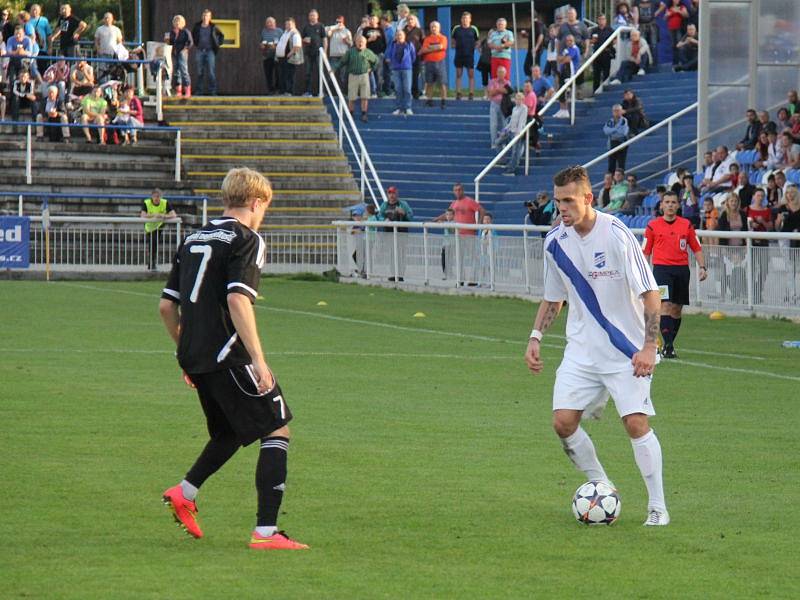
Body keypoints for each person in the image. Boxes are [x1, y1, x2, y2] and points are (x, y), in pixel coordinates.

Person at [158, 168, 308, 551]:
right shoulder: (247, 238)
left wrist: (186, 352)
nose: (263, 217)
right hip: (229, 354)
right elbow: (238, 299)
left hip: (195, 355)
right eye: (264, 209)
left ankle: (184, 492)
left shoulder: (193, 238)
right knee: (276, 429)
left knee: (228, 432)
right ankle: (266, 533)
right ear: (257, 202)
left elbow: (166, 307)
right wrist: (258, 359)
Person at [524, 165, 669, 527]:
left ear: (589, 198)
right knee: (563, 422)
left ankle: (657, 507)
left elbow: (651, 294)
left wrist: (650, 347)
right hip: (582, 350)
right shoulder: (555, 241)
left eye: (569, 201)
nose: (562, 209)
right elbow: (553, 298)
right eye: (558, 202)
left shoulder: (617, 234)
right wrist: (535, 337)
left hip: (626, 351)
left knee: (636, 423)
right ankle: (601, 485)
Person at [642, 191, 707, 358]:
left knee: (677, 309)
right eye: (667, 202)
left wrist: (702, 266)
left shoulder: (686, 225)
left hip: (682, 270)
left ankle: (668, 345)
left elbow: (696, 247)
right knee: (665, 306)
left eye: (673, 202)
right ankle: (669, 346)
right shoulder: (652, 226)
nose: (670, 205)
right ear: (662, 205)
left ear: (678, 205)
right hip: (662, 270)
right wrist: (643, 273)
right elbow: (646, 251)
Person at [378, 186, 413, 282]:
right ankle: (393, 274)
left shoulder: (403, 204)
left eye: (393, 193)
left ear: (397, 194)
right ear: (387, 194)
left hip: (401, 233)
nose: (392, 195)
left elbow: (411, 216)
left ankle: (400, 274)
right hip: (389, 233)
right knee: (391, 254)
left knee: (401, 254)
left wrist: (404, 213)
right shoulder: (384, 205)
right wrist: (384, 220)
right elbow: (379, 216)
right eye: (390, 193)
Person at [339, 35, 377, 122]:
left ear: (365, 43)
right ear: (355, 43)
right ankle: (350, 114)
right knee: (351, 96)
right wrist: (333, 69)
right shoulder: (350, 52)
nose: (360, 43)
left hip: (364, 76)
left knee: (365, 96)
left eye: (362, 42)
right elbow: (342, 62)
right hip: (353, 75)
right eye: (359, 42)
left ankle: (364, 114)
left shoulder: (368, 52)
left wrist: (371, 69)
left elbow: (376, 61)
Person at [139, 188, 176, 270]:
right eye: (155, 196)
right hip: (149, 227)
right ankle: (151, 262)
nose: (156, 199)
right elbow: (143, 215)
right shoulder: (146, 202)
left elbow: (173, 215)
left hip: (159, 226)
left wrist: (163, 216)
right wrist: (155, 215)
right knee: (152, 244)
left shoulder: (165, 202)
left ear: (161, 197)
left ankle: (152, 263)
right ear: (152, 197)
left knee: (154, 243)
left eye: (158, 197)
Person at [191, 9, 224, 96]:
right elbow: (193, 35)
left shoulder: (213, 26)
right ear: (202, 17)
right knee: (199, 72)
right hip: (200, 51)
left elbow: (221, 35)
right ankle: (199, 92)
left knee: (211, 72)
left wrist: (218, 44)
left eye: (207, 16)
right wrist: (196, 43)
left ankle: (213, 91)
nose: (205, 17)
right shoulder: (197, 26)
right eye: (204, 16)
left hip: (210, 52)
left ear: (210, 17)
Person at [386, 29, 415, 116]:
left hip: (406, 69)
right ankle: (399, 108)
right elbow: (389, 55)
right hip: (395, 69)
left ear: (404, 36)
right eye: (398, 35)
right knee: (398, 89)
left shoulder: (409, 45)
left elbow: (413, 56)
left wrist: (408, 63)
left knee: (407, 89)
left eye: (401, 35)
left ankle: (408, 107)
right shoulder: (392, 45)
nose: (399, 36)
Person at [451, 11, 479, 101]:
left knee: (471, 75)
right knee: (458, 74)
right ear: (461, 19)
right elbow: (453, 40)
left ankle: (471, 93)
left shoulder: (474, 29)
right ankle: (458, 93)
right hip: (459, 55)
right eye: (463, 18)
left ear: (470, 19)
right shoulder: (456, 28)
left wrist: (473, 49)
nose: (465, 20)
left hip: (469, 56)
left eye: (467, 18)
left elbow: (477, 41)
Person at [420, 21, 447, 109]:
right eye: (432, 27)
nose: (434, 28)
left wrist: (429, 48)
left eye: (435, 27)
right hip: (429, 63)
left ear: (439, 28)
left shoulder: (443, 37)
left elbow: (442, 47)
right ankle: (429, 100)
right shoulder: (427, 39)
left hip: (440, 62)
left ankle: (443, 101)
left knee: (442, 83)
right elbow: (423, 50)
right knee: (429, 83)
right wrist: (436, 47)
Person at [501, 92, 529, 175]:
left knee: (515, 152)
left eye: (519, 99)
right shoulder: (514, 108)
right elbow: (511, 122)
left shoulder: (524, 108)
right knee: (498, 142)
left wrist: (519, 132)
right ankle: (508, 163)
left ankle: (511, 170)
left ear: (522, 100)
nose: (517, 100)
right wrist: (505, 130)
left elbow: (522, 121)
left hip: (517, 133)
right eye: (516, 99)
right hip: (511, 131)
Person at [166, 15, 193, 97]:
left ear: (182, 23)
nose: (177, 23)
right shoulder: (171, 32)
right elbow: (170, 42)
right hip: (174, 53)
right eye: (176, 21)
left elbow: (190, 42)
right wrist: (167, 41)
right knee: (176, 72)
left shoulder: (185, 31)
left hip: (182, 53)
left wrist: (185, 49)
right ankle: (179, 91)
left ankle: (187, 91)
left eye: (179, 21)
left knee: (184, 71)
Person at [301, 9, 327, 96]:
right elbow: (302, 39)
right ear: (309, 17)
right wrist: (304, 40)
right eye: (311, 15)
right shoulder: (306, 27)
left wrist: (325, 52)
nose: (312, 17)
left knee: (321, 72)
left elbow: (325, 39)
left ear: (317, 16)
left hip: (318, 53)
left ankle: (321, 91)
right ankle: (307, 92)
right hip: (308, 53)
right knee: (308, 72)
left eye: (314, 15)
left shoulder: (321, 26)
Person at [554, 34, 580, 119]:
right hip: (563, 71)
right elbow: (558, 58)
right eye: (567, 41)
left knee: (566, 91)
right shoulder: (566, 49)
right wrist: (562, 59)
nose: (569, 42)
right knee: (560, 90)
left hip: (570, 72)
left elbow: (567, 59)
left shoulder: (574, 49)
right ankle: (562, 109)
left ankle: (566, 111)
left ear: (574, 41)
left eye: (570, 40)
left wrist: (562, 59)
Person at [276, 18, 302, 96]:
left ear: (294, 24)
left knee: (289, 75)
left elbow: (297, 46)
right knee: (283, 75)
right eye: (286, 24)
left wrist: (288, 55)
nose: (287, 26)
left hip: (289, 58)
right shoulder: (285, 33)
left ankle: (289, 91)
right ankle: (283, 91)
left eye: (289, 24)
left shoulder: (295, 33)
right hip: (282, 58)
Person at [94, 12, 123, 83]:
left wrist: (119, 52)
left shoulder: (116, 29)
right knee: (102, 71)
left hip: (113, 54)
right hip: (103, 53)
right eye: (105, 18)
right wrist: (98, 50)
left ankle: (112, 87)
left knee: (113, 71)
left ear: (112, 19)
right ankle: (102, 86)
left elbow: (119, 42)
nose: (107, 19)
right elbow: (96, 41)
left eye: (108, 18)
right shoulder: (99, 29)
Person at [362, 15, 386, 97]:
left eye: (374, 19)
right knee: (369, 72)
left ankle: (379, 91)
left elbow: (384, 42)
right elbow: (362, 41)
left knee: (379, 73)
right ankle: (372, 91)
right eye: (371, 19)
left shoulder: (380, 29)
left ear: (377, 20)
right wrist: (369, 40)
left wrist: (383, 51)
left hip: (379, 54)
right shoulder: (366, 30)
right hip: (368, 53)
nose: (372, 20)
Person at [590, 14, 615, 92]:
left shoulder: (609, 29)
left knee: (606, 73)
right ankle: (595, 91)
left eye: (603, 19)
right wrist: (592, 41)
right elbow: (589, 41)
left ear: (606, 20)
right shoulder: (594, 30)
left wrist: (611, 45)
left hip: (606, 54)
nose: (601, 21)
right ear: (597, 20)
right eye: (600, 19)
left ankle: (605, 91)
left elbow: (615, 38)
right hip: (596, 54)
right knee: (596, 74)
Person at [327, 15, 353, 90]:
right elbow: (327, 34)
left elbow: (351, 44)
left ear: (343, 22)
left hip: (343, 56)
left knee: (343, 75)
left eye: (340, 22)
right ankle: (330, 92)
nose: (338, 23)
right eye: (337, 22)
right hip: (334, 56)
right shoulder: (332, 30)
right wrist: (333, 28)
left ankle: (343, 92)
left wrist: (347, 41)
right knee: (331, 74)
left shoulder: (347, 31)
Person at [487, 65, 510, 149]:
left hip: (504, 105)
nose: (500, 74)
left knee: (505, 125)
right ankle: (494, 143)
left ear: (505, 74)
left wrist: (496, 90)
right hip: (494, 104)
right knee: (493, 124)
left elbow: (507, 91)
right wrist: (500, 90)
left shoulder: (507, 82)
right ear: (497, 73)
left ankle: (503, 143)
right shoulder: (492, 81)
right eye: (499, 72)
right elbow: (491, 93)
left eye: (502, 72)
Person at [604, 104, 629, 173]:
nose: (616, 112)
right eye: (614, 111)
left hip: (621, 143)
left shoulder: (624, 120)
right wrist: (616, 129)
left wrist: (612, 132)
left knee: (621, 165)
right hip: (611, 144)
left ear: (621, 111)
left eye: (618, 111)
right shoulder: (610, 121)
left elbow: (623, 132)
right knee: (611, 165)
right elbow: (606, 131)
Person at [402, 14, 423, 99]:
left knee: (415, 74)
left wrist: (420, 52)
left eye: (412, 20)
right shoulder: (403, 30)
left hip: (416, 55)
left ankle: (416, 92)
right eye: (409, 19)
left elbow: (423, 42)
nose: (410, 21)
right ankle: (406, 93)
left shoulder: (419, 31)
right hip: (405, 56)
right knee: (405, 75)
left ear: (415, 21)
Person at [632, 0, 659, 65]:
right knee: (643, 45)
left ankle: (654, 64)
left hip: (652, 24)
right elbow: (636, 13)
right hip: (642, 25)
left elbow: (662, 5)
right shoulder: (636, 2)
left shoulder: (653, 1)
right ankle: (645, 64)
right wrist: (636, 26)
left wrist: (656, 13)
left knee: (654, 45)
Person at [260, 18, 282, 95]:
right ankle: (271, 90)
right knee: (268, 74)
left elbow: (283, 43)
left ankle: (278, 89)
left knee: (278, 73)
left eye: (271, 22)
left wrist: (276, 46)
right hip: (267, 56)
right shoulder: (264, 31)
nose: (269, 24)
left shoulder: (279, 31)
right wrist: (262, 45)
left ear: (275, 23)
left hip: (277, 56)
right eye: (268, 22)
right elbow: (261, 42)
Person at [29, 4, 52, 73]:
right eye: (33, 9)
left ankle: (42, 82)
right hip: (30, 48)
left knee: (42, 67)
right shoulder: (27, 20)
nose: (34, 11)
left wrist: (50, 47)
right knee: (30, 68)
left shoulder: (44, 20)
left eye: (36, 10)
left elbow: (49, 34)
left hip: (42, 47)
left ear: (39, 11)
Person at [664, 0, 688, 66]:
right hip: (671, 28)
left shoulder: (682, 7)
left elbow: (686, 15)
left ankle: (682, 61)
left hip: (679, 28)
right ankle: (675, 62)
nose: (676, 1)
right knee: (673, 45)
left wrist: (678, 11)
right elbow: (665, 18)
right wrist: (667, 15)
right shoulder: (669, 8)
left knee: (680, 44)